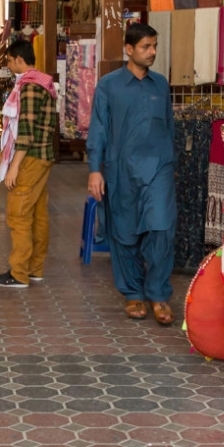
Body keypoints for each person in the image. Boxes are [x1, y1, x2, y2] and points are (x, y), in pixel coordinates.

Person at [87, 21, 179, 325]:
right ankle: (133, 293)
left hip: (159, 169)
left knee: (162, 228)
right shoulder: (109, 85)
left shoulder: (161, 84)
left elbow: (168, 126)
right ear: (129, 49)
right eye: (146, 47)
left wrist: (170, 163)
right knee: (124, 232)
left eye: (154, 46)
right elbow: (98, 129)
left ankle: (157, 292)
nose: (152, 52)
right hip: (121, 170)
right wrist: (94, 170)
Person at [0, 39, 58, 288]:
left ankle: (18, 274)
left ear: (19, 59)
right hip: (44, 156)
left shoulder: (28, 88)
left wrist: (14, 166)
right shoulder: (45, 84)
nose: (8, 65)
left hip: (29, 158)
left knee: (18, 215)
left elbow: (25, 132)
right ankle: (34, 269)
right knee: (38, 215)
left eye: (8, 60)